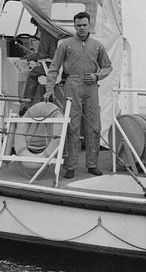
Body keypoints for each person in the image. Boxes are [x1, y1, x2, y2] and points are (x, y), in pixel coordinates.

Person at [44, 12, 112, 179]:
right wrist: (49, 88)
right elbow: (54, 67)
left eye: (84, 25)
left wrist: (97, 76)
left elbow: (107, 67)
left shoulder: (97, 46)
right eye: (78, 25)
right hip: (72, 85)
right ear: (74, 26)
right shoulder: (65, 45)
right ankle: (71, 166)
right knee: (72, 126)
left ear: (89, 26)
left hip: (91, 88)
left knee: (94, 126)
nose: (81, 28)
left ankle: (92, 165)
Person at [19, 17, 59, 114]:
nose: (38, 28)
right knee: (37, 71)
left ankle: (26, 103)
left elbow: (42, 54)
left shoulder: (46, 33)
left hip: (51, 66)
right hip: (58, 65)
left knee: (33, 74)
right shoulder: (55, 31)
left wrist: (28, 57)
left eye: (36, 26)